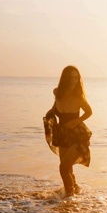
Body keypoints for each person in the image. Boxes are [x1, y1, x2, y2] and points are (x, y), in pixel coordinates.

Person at [44, 66, 92, 197]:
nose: (73, 81)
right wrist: (49, 114)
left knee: (63, 167)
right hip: (63, 134)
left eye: (76, 78)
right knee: (67, 167)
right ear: (65, 79)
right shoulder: (57, 93)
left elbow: (89, 112)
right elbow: (54, 108)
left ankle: (68, 198)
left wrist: (75, 121)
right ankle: (74, 192)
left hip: (78, 135)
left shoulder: (79, 98)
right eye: (71, 78)